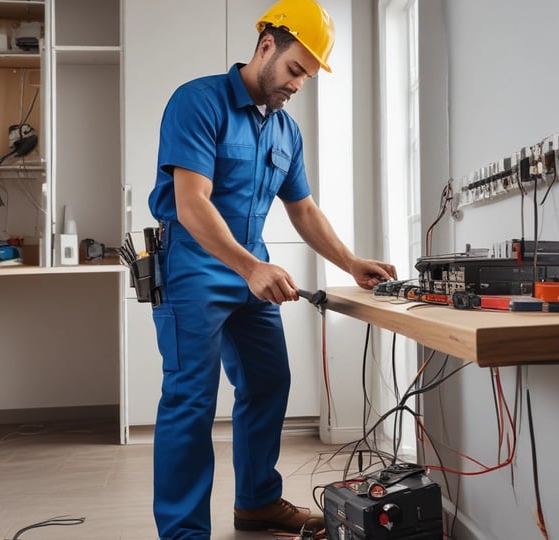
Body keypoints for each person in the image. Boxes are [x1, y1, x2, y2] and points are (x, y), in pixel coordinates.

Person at [147, 0, 397, 537]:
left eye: (306, 76)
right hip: (193, 264)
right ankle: (184, 532)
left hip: (250, 267)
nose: (298, 85)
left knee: (268, 382)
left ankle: (257, 502)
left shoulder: (285, 132)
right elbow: (191, 204)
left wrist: (351, 263)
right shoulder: (199, 102)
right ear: (266, 47)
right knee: (190, 397)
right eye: (294, 70)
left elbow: (302, 209)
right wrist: (250, 267)